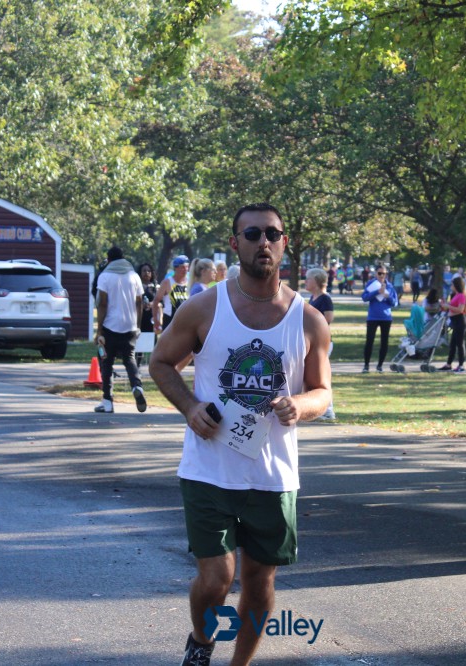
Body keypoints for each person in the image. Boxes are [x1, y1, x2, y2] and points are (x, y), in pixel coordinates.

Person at [149, 203, 331, 666]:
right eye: (252, 234)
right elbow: (161, 362)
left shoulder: (308, 319)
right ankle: (201, 642)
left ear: (284, 243)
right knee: (216, 579)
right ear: (235, 244)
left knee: (259, 581)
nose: (263, 242)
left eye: (272, 233)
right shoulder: (205, 307)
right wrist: (190, 407)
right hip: (209, 469)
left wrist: (299, 405)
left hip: (273, 474)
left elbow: (323, 392)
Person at [93, 247, 146, 415]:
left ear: (109, 259)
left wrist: (99, 330)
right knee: (129, 359)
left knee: (106, 362)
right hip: (130, 326)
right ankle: (137, 386)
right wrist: (137, 325)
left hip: (110, 326)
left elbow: (102, 303)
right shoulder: (134, 276)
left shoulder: (105, 276)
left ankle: (107, 401)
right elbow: (139, 302)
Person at [305, 267, 335, 420]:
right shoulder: (313, 298)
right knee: (313, 376)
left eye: (308, 279)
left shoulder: (325, 298)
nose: (305, 281)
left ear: (316, 281)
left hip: (323, 343)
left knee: (321, 375)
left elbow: (328, 318)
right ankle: (317, 409)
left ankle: (328, 410)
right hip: (313, 342)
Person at [361, 265, 399, 373]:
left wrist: (387, 296)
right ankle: (366, 365)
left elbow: (395, 303)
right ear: (376, 273)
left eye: (384, 273)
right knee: (369, 341)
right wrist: (377, 291)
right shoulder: (371, 284)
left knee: (384, 342)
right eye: (380, 273)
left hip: (386, 318)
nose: (382, 276)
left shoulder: (390, 286)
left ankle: (380, 366)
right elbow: (364, 297)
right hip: (372, 317)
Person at [152, 255, 190, 334]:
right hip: (170, 320)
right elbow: (156, 301)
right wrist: (156, 320)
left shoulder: (189, 282)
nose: (185, 269)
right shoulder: (167, 282)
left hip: (185, 319)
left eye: (187, 267)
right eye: (182, 267)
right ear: (176, 268)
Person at [439, 275, 466, 373]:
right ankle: (448, 364)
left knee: (460, 344)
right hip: (455, 321)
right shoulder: (455, 295)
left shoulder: (461, 296)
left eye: (452, 284)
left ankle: (461, 365)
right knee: (452, 344)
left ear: (456, 285)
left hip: (460, 321)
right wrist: (445, 305)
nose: (451, 286)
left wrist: (448, 306)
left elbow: (460, 310)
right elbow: (452, 307)